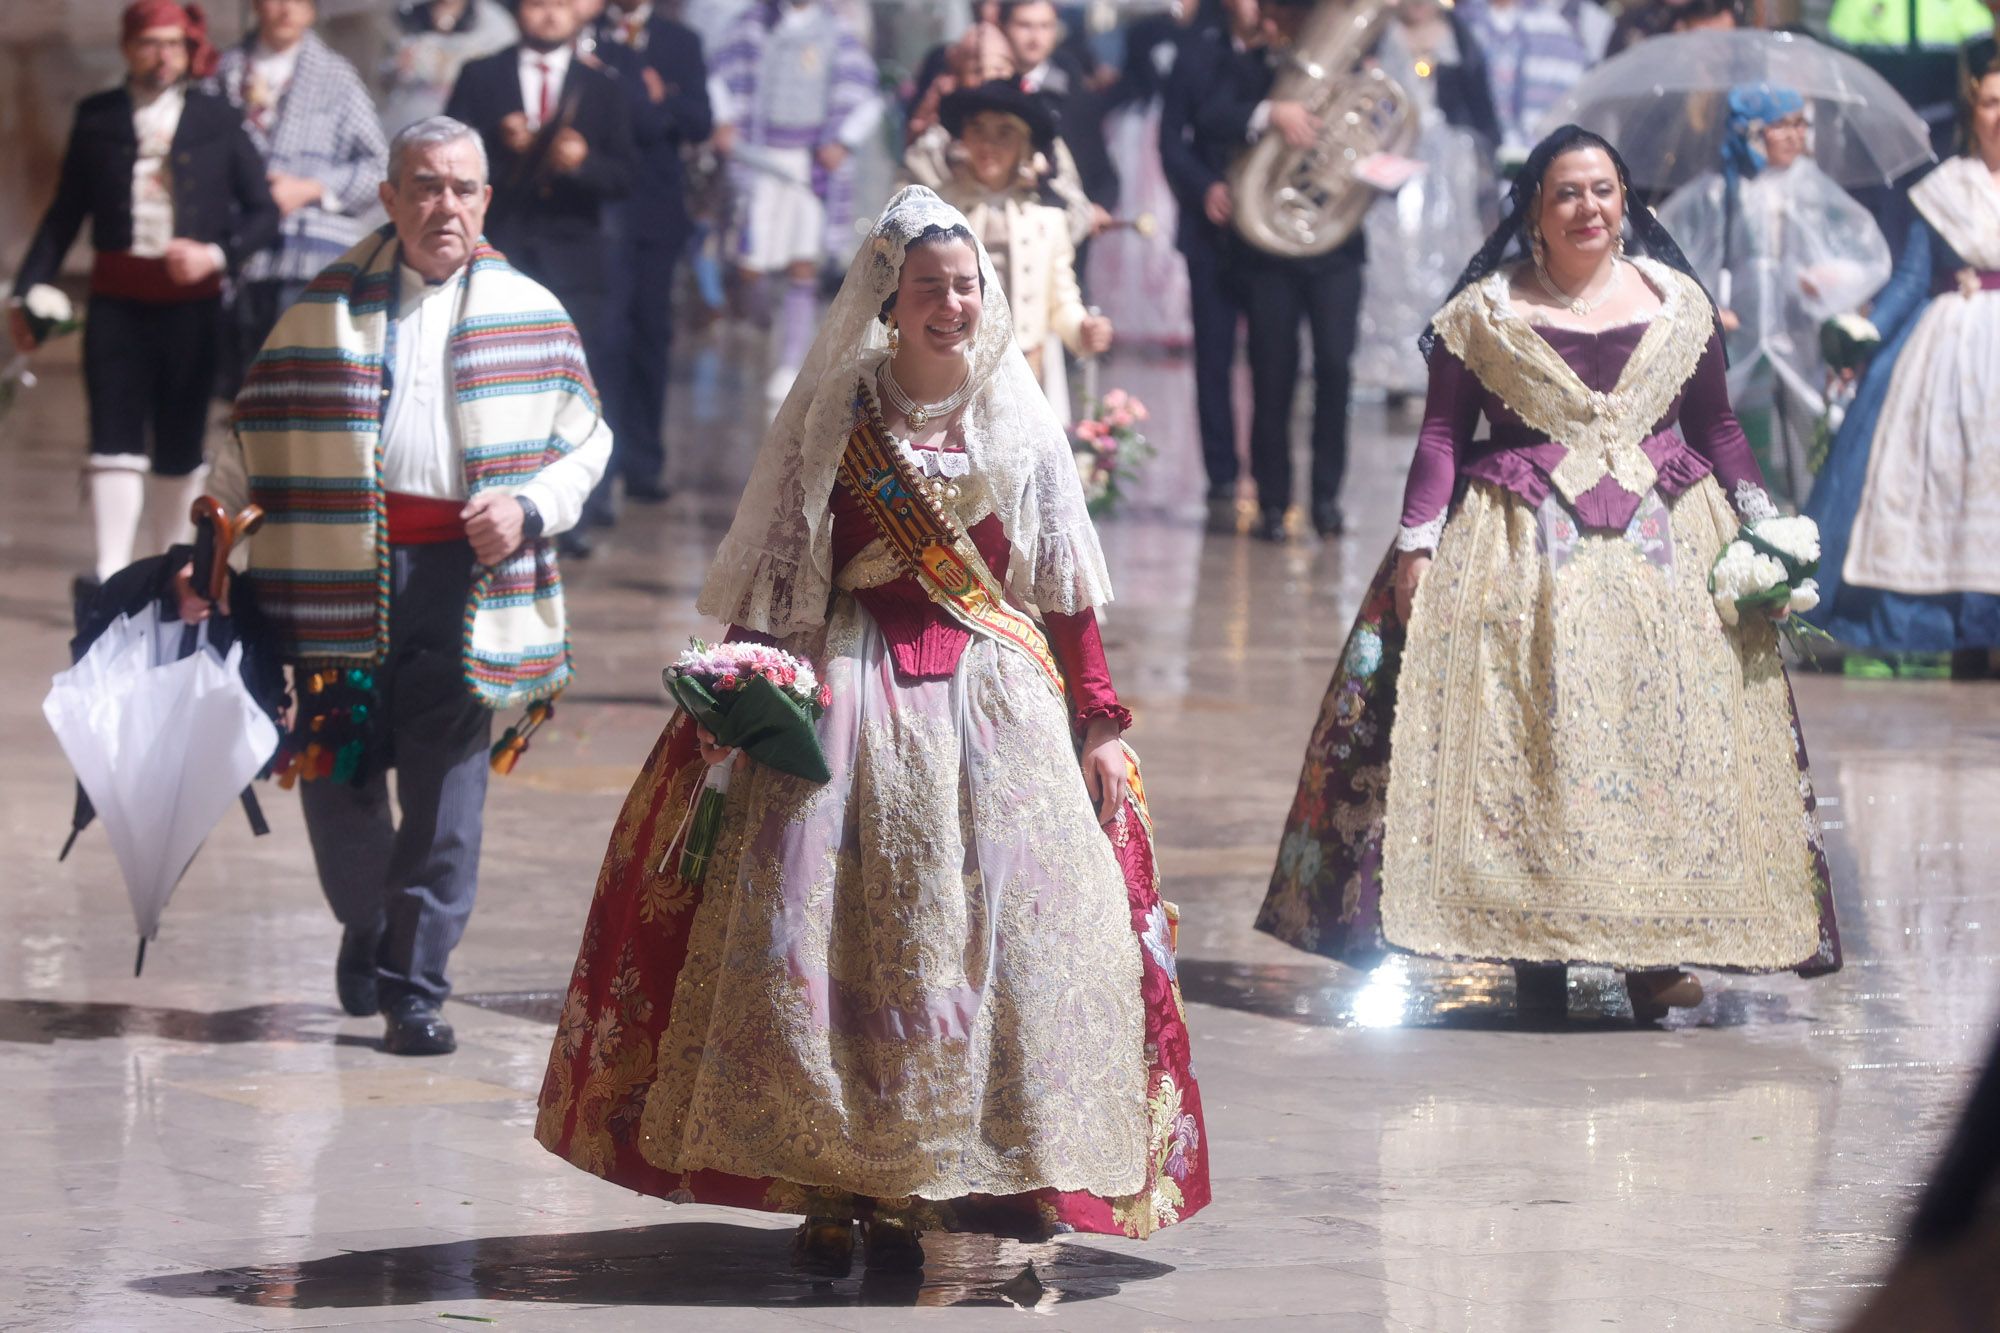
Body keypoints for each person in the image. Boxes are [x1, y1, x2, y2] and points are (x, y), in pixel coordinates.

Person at [533, 187, 1208, 1270]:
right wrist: (739, 688)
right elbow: (778, 562)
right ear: (889, 300)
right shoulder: (834, 414)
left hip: (988, 698)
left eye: (967, 286)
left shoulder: (1015, 413)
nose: (951, 304)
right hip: (844, 688)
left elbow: (1062, 586)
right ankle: (827, 1180)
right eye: (929, 286)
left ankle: (939, 1170)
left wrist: (1097, 719)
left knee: (998, 938)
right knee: (814, 937)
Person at [1255, 125, 1842, 1023]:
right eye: (1567, 192)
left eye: (1602, 190)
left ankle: (1653, 955)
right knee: (1536, 741)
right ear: (1534, 208)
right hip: (1521, 555)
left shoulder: (1679, 304)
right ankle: (1536, 954)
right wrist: (1416, 544)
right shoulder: (1484, 313)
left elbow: (1718, 428)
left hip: (1667, 560)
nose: (1587, 209)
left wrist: (1767, 531)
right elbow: (1443, 437)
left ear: (1625, 200)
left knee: (1659, 742)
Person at [200, 116, 611, 1055]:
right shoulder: (320, 310)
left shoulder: (533, 313)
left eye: (462, 188)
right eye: (425, 186)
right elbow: (251, 435)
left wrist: (531, 508)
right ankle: (372, 921)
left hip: (468, 584)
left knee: (447, 793)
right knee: (337, 780)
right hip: (333, 578)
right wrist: (207, 549)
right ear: (389, 197)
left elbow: (588, 440)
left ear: (486, 201)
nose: (444, 206)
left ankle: (416, 986)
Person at [10, 1, 278, 596]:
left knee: (181, 440)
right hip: (117, 302)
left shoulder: (217, 117)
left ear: (189, 51)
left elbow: (263, 210)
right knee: (113, 435)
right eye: (150, 43)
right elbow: (63, 215)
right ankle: (110, 572)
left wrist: (215, 255)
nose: (162, 57)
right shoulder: (98, 116)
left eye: (173, 45)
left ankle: (169, 569)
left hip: (192, 307)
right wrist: (26, 292)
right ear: (128, 48)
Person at [1802, 63, 2000, 674]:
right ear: (1972, 113)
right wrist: (1865, 334)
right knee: (1933, 479)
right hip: (1948, 351)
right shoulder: (1945, 188)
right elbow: (1912, 278)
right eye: (1992, 102)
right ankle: (1953, 634)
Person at [446, 0, 637, 554]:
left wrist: (580, 163)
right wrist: (497, 147)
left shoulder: (602, 86)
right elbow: (449, 159)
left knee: (577, 384)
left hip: (575, 259)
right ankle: (488, 502)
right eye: (537, 3)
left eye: (561, 3)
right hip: (499, 248)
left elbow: (626, 175)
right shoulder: (481, 75)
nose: (549, 14)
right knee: (492, 374)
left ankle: (573, 513)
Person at [1658, 86, 1891, 507]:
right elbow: (1676, 252)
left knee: (1801, 437)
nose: (1795, 135)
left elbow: (1859, 246)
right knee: (1735, 432)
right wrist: (1706, 302)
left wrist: (1831, 279)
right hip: (1736, 334)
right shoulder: (1721, 190)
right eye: (1781, 125)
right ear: (1751, 132)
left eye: (1800, 124)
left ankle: (1802, 517)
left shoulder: (1808, 186)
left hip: (1796, 333)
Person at [1195, 0, 1365, 541]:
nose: (1269, 26)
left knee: (1335, 369)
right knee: (1272, 374)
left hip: (1335, 243)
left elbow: (1375, 134)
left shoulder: (1354, 69)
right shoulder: (1248, 64)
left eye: (1282, 16)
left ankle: (1327, 499)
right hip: (1266, 248)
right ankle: (1272, 502)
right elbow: (1207, 115)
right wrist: (1270, 113)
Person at [208, 0, 388, 399]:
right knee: (243, 388)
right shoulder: (223, 71)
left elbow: (377, 166)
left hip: (310, 252)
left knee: (304, 385)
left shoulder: (336, 76)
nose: (286, 10)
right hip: (238, 251)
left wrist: (310, 187)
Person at [708, 0, 883, 402]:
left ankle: (790, 363)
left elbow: (866, 95)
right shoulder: (753, 24)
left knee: (803, 264)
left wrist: (843, 141)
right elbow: (720, 74)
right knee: (751, 264)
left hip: (809, 165)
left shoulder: (836, 31)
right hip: (760, 159)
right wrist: (724, 120)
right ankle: (763, 330)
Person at [586, 0, 713, 505]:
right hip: (598, 210)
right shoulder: (588, 33)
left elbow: (699, 121)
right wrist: (651, 103)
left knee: (650, 335)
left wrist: (661, 104)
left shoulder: (680, 41)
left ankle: (643, 462)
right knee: (604, 337)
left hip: (655, 212)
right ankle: (598, 473)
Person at [1353, 0, 1500, 400]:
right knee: (1388, 265)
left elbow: (1481, 110)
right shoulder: (1379, 36)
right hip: (1390, 174)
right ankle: (1387, 370)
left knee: (1445, 268)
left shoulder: (1460, 38)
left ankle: (1443, 367)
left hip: (1449, 176)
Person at [935, 79, 1112, 396]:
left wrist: (1082, 329)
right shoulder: (939, 210)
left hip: (1025, 375)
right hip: (952, 372)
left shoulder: (1046, 219)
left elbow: (1061, 300)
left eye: (1004, 133)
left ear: (1024, 144)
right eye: (977, 129)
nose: (988, 144)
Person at [1159, 0, 1251, 531]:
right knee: (1212, 358)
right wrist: (1204, 188)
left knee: (1275, 361)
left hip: (1277, 239)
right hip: (1210, 229)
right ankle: (1221, 474)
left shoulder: (1290, 56)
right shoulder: (1197, 53)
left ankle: (1273, 475)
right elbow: (1171, 140)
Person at [1001, 0, 1116, 231]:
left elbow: (1098, 165)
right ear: (1003, 28)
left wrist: (1098, 206)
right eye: (1025, 25)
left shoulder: (1075, 95)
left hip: (1063, 226)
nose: (1035, 37)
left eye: (1045, 26)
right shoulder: (987, 89)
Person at [1455, 0, 1604, 166]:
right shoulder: (1459, 24)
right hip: (1470, 161)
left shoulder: (1557, 34)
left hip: (1538, 162)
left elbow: (1567, 110)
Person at [380, 0, 519, 137]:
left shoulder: (495, 22)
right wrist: (399, 67)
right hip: (408, 123)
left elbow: (506, 75)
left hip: (465, 124)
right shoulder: (405, 12)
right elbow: (381, 77)